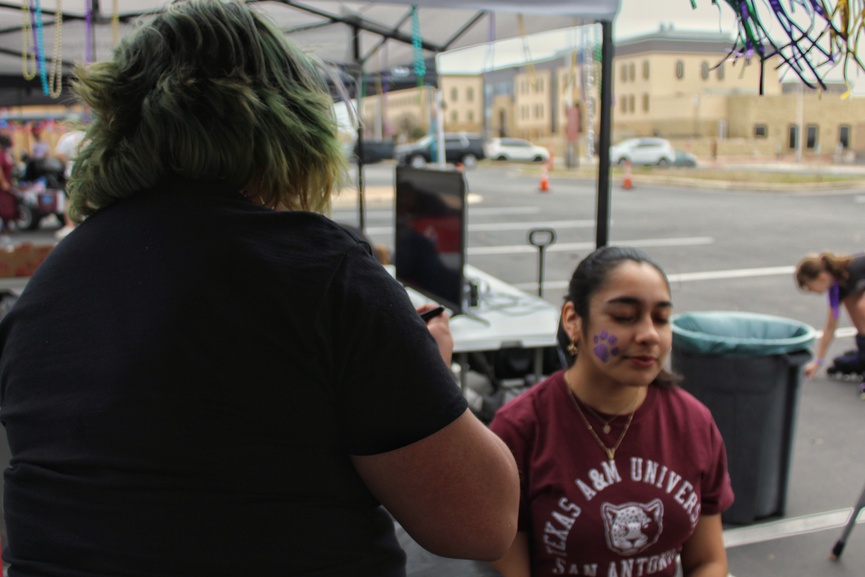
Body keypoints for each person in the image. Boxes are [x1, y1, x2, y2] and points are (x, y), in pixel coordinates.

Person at [0, 1, 519, 575]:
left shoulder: (51, 283)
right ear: (291, 125)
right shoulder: (319, 271)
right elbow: (483, 523)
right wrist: (428, 367)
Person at [489, 246, 734, 577]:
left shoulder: (693, 423)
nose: (649, 334)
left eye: (661, 318)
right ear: (573, 320)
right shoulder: (519, 430)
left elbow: (708, 561)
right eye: (623, 317)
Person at [795, 251, 865, 383]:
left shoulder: (854, 269)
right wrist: (818, 361)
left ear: (821, 277)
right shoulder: (837, 289)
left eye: (810, 287)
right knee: (852, 303)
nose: (811, 291)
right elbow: (830, 327)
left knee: (862, 306)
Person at [52, 129, 85, 239]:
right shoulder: (85, 135)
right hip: (85, 172)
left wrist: (68, 162)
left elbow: (60, 154)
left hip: (71, 173)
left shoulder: (67, 137)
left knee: (69, 199)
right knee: (87, 197)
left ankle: (70, 225)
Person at [0, 133, 18, 233]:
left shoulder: (5, 153)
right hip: (3, 183)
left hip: (9, 180)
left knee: (9, 204)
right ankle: (5, 226)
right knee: (4, 206)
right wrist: (3, 182)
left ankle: (7, 226)